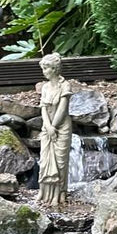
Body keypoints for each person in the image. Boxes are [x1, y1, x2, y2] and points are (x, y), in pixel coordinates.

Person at [37, 53, 73, 207]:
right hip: (47, 127)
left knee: (60, 161)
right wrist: (48, 126)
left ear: (54, 69)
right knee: (45, 159)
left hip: (62, 127)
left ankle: (60, 193)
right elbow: (43, 108)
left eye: (46, 68)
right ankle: (44, 191)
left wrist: (54, 127)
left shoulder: (65, 85)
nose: (43, 71)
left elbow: (62, 109)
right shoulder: (45, 87)